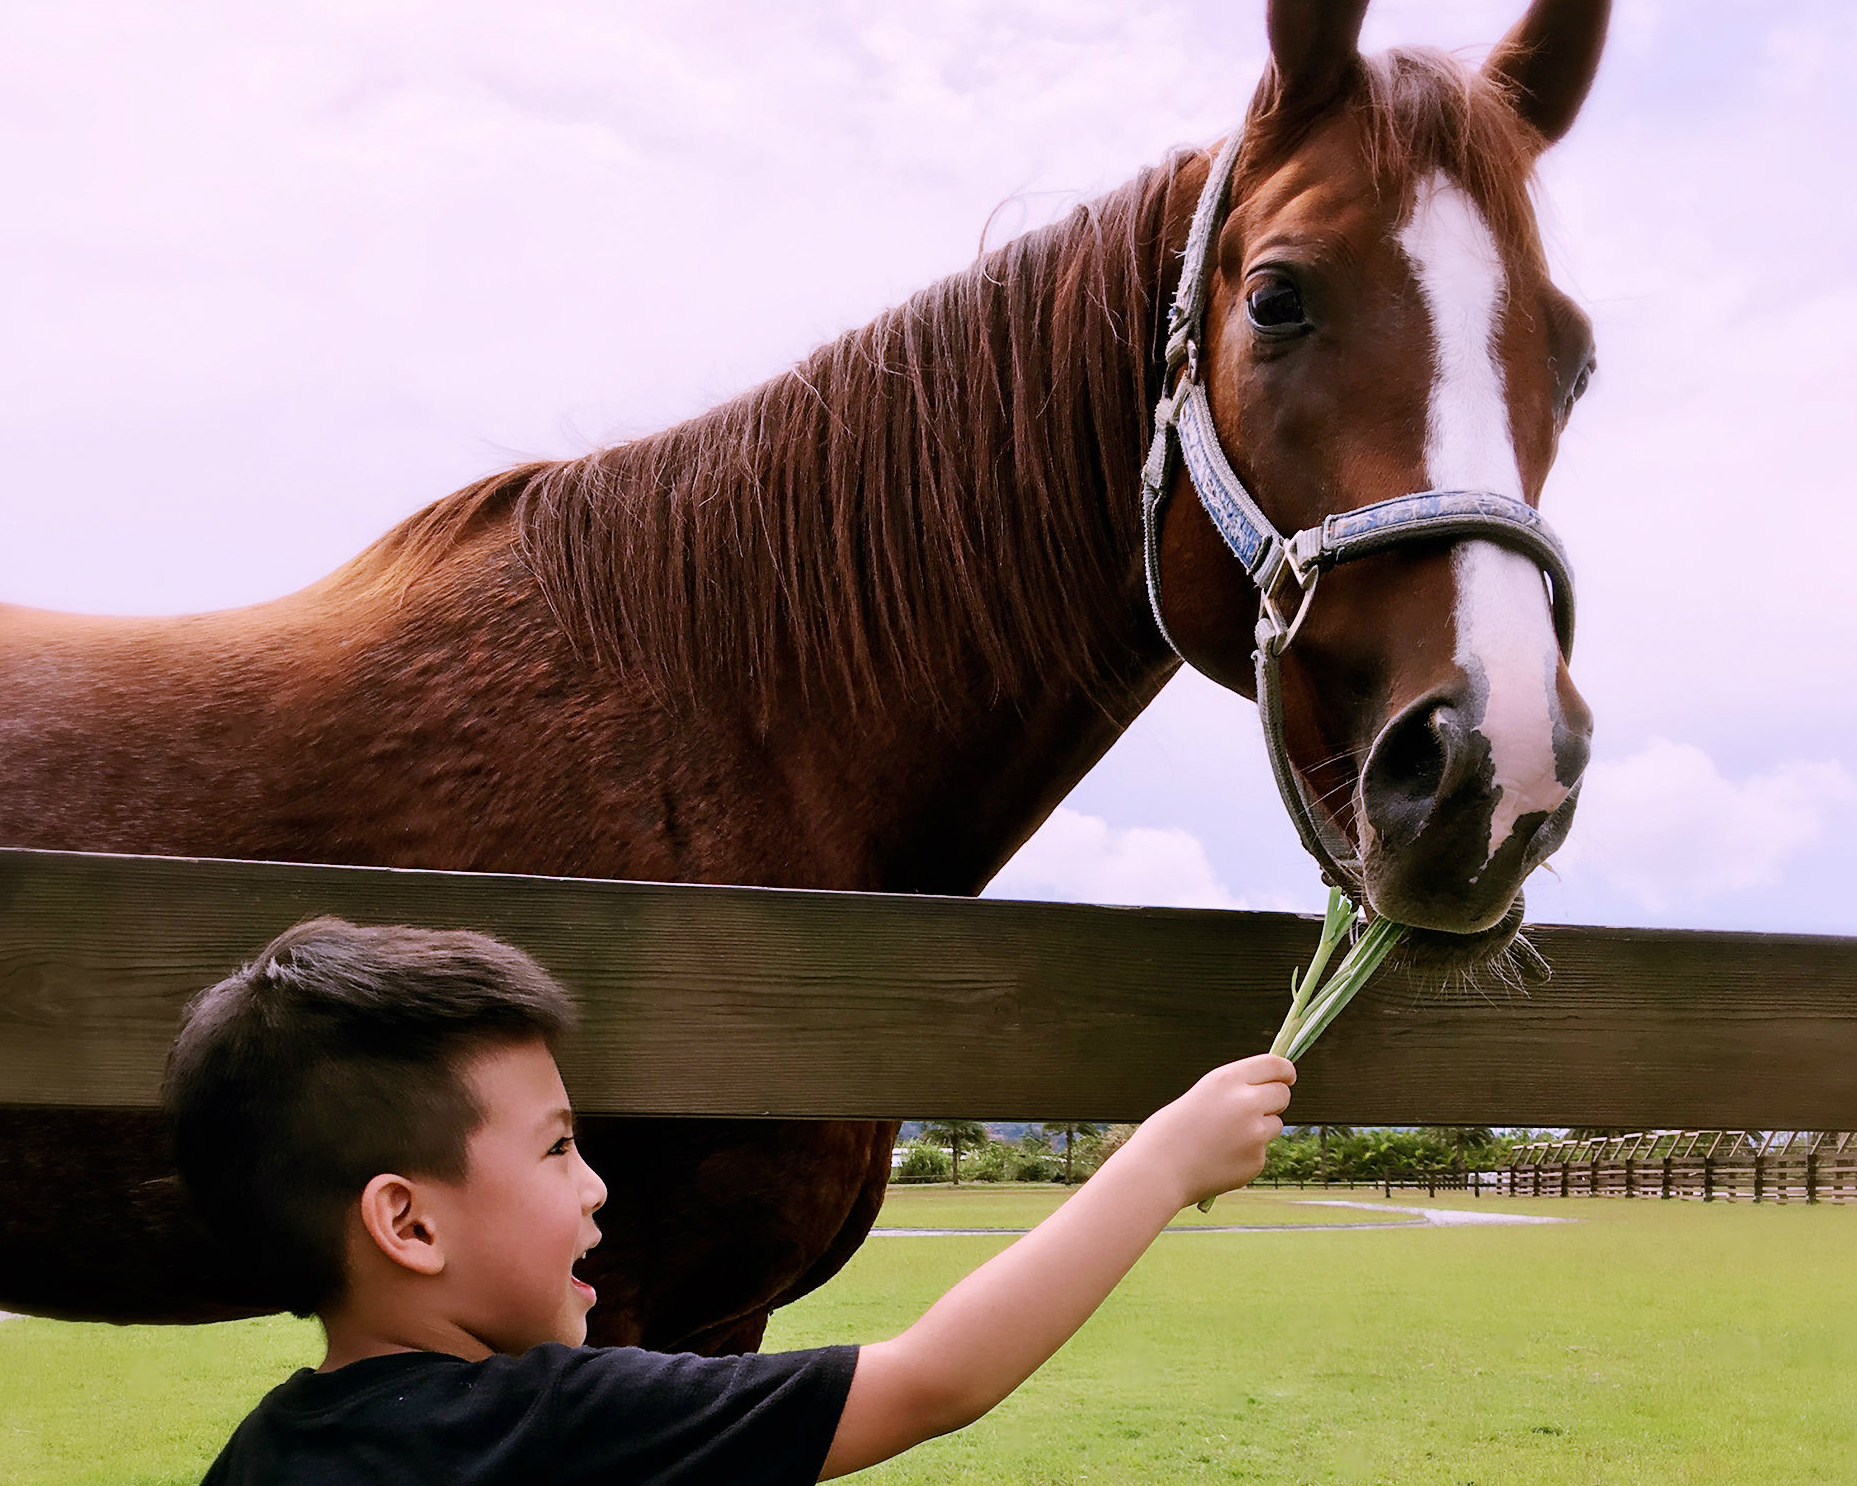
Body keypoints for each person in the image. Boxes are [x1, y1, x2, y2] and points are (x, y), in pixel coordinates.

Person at [166, 916, 1294, 1483]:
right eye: (559, 1149)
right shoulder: (553, 1420)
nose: (597, 1186)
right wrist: (1161, 1161)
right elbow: (934, 1379)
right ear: (408, 1223)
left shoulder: (259, 1455)